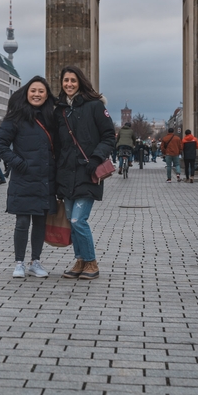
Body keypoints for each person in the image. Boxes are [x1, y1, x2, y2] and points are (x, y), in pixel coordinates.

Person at [54, 65, 116, 281]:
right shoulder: (60, 109)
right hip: (66, 173)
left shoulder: (95, 106)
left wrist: (96, 158)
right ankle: (79, 260)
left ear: (80, 81)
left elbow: (109, 136)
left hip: (88, 171)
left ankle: (91, 262)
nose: (69, 84)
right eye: (65, 80)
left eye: (73, 80)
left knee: (79, 220)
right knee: (71, 219)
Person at [0, 76, 57, 279]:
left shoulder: (52, 118)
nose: (37, 94)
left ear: (47, 95)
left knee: (40, 222)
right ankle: (19, 262)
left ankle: (35, 261)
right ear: (26, 93)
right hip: (23, 178)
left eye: (41, 91)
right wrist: (18, 163)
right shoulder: (16, 117)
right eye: (33, 91)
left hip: (45, 178)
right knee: (22, 222)